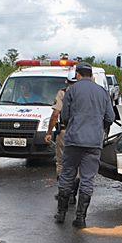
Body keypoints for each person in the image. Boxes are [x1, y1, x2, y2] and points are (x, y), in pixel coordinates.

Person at [55, 63, 115, 228]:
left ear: (78, 74)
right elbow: (110, 117)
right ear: (91, 75)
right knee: (87, 179)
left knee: (67, 174)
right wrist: (98, 127)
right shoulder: (102, 92)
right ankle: (80, 218)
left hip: (73, 140)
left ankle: (61, 214)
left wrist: (74, 124)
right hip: (94, 142)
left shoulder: (71, 91)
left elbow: (65, 116)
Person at [45, 69, 79, 203]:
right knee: (78, 163)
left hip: (65, 132)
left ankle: (63, 192)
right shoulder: (87, 93)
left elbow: (55, 114)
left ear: (67, 82)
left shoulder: (63, 93)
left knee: (62, 162)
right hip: (82, 132)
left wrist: (49, 132)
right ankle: (73, 194)